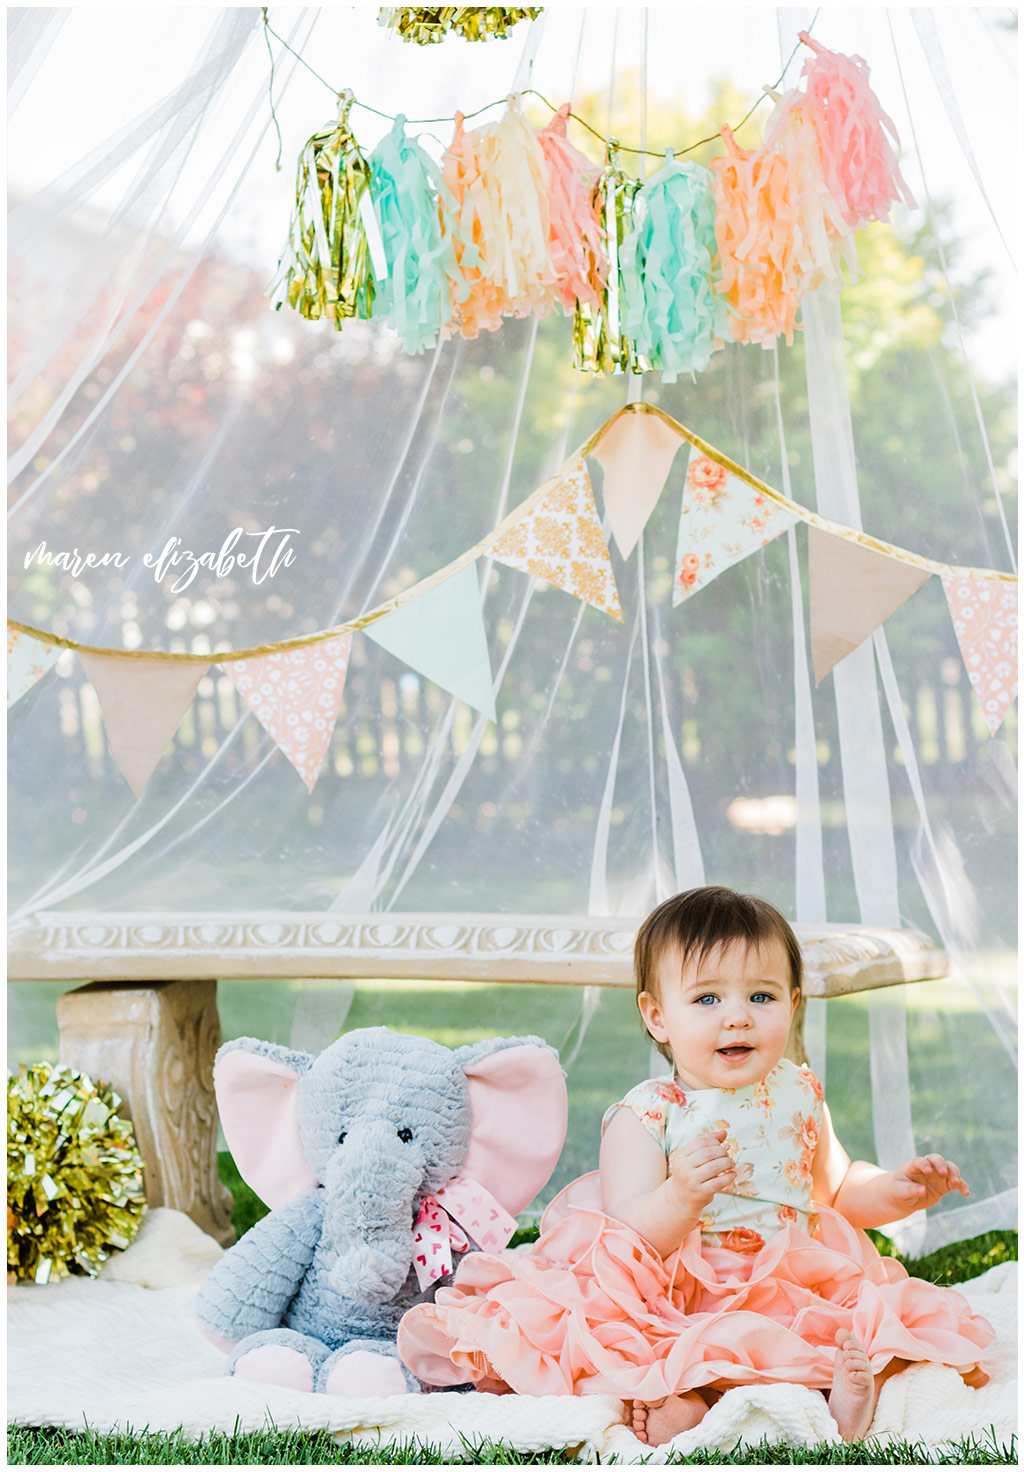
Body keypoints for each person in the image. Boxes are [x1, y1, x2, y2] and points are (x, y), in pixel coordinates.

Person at [396, 886, 995, 1446]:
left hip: (788, 1275)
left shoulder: (799, 1090)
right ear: (658, 1016)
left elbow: (835, 1188)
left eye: (760, 996)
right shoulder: (649, 1113)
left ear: (792, 1004)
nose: (736, 1017)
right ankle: (693, 1402)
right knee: (682, 1344)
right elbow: (629, 1232)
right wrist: (681, 1194)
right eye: (707, 998)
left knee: (828, 1331)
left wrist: (896, 1190)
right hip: (685, 1286)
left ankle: (826, 1396)